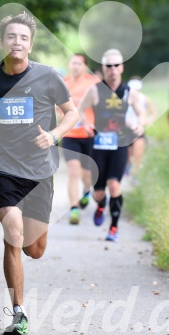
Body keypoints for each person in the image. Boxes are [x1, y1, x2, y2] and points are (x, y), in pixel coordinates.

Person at [0, 12, 78, 335]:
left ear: (30, 44)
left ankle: (21, 296)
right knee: (13, 234)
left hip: (41, 172)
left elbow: (72, 113)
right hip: (4, 169)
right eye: (11, 37)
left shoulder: (48, 76)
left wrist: (54, 136)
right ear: (1, 43)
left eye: (24, 38)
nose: (17, 42)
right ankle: (19, 312)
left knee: (34, 249)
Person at [79, 49, 145, 241]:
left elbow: (141, 114)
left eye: (116, 65)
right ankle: (101, 205)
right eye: (109, 66)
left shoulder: (128, 93)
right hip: (98, 145)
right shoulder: (94, 90)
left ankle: (114, 228)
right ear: (104, 68)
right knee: (98, 192)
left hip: (120, 144)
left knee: (114, 184)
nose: (113, 69)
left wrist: (139, 124)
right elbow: (80, 110)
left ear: (122, 67)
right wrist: (86, 125)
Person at [60, 54, 100, 225]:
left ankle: (86, 191)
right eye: (73, 63)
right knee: (73, 171)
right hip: (69, 135)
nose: (75, 66)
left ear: (85, 66)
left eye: (79, 64)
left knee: (87, 176)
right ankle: (74, 209)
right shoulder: (62, 83)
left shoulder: (94, 83)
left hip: (89, 134)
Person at [125, 76, 157, 181]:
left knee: (138, 153)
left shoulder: (145, 99)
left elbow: (153, 113)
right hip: (126, 129)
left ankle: (135, 174)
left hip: (139, 129)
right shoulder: (125, 98)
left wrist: (147, 121)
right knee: (128, 153)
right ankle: (127, 167)